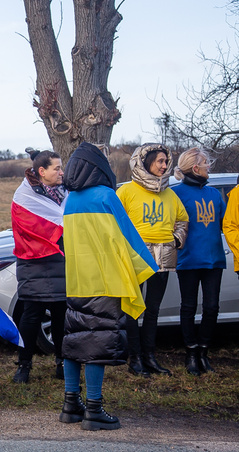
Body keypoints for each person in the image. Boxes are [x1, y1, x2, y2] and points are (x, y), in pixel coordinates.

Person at [61, 142, 157, 431]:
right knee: (96, 344)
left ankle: (70, 405)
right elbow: (127, 238)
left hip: (77, 280)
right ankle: (94, 409)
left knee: (74, 340)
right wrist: (147, 266)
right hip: (105, 280)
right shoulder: (106, 196)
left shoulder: (71, 199)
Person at [116, 143, 188, 377]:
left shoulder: (170, 193)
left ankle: (149, 357)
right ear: (146, 162)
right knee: (133, 309)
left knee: (153, 309)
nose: (165, 166)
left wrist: (176, 241)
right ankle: (134, 359)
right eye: (160, 161)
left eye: (166, 162)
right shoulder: (126, 192)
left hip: (163, 258)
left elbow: (182, 220)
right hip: (136, 257)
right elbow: (115, 223)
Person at [10, 148, 67, 383]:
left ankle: (63, 363)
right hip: (33, 260)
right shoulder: (24, 196)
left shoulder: (66, 192)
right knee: (31, 315)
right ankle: (24, 364)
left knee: (61, 315)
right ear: (42, 171)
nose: (62, 172)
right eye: (57, 168)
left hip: (61, 260)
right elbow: (26, 226)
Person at [172, 148, 226, 375]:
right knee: (188, 306)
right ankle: (191, 353)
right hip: (189, 260)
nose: (209, 166)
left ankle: (203, 351)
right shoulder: (176, 193)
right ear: (196, 168)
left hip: (214, 259)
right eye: (206, 163)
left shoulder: (214, 194)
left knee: (212, 307)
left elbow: (225, 223)